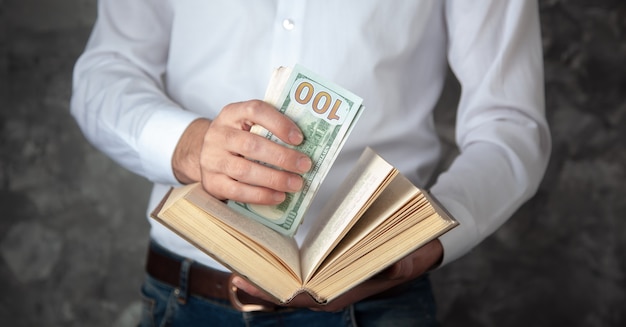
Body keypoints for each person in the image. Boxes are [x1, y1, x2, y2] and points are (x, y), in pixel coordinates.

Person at [70, 1, 551, 326]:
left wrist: (433, 234)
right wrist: (189, 145)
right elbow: (105, 72)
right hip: (189, 298)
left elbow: (509, 123)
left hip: (378, 301)